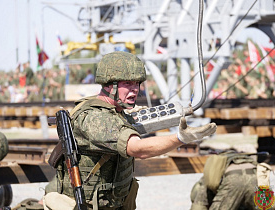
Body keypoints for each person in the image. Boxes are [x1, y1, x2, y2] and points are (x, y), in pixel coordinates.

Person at [44, 51, 217, 210]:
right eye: (127, 83)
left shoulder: (115, 111)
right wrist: (180, 138)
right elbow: (137, 149)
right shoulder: (96, 118)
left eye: (137, 84)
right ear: (109, 86)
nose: (135, 89)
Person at [190, 150, 274, 210]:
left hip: (233, 179)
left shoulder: (204, 183)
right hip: (256, 176)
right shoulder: (237, 159)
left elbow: (198, 206)